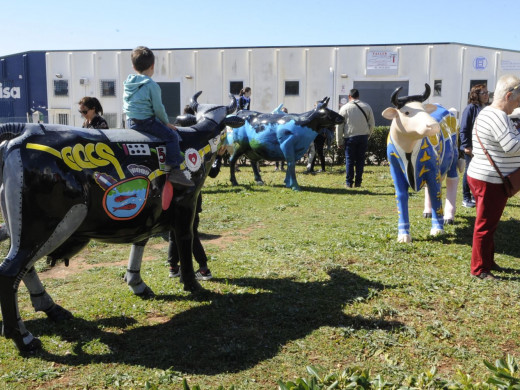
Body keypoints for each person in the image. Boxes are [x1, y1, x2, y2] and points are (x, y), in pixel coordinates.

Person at [467, 74, 520, 280]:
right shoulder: (498, 116)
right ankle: (479, 269)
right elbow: (512, 146)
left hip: (484, 177)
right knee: (485, 225)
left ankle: (486, 262)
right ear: (508, 96)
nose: (517, 105)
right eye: (517, 100)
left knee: (488, 224)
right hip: (489, 181)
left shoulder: (489, 112)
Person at [123, 46, 193, 188]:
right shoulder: (151, 85)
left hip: (130, 122)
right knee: (172, 136)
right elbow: (158, 109)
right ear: (153, 66)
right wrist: (166, 123)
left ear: (133, 66)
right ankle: (175, 170)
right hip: (145, 122)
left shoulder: (128, 83)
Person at [336, 88, 375, 188]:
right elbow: (372, 124)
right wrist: (368, 135)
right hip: (363, 137)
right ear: (358, 96)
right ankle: (358, 182)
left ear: (349, 96)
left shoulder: (344, 108)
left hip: (350, 137)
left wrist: (339, 141)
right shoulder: (367, 106)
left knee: (349, 160)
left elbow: (339, 126)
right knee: (360, 160)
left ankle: (349, 183)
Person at [460, 84, 489, 208]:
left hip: (484, 146)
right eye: (484, 93)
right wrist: (466, 146)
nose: (487, 95)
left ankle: (476, 195)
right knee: (469, 172)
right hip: (471, 147)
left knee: (480, 172)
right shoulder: (471, 108)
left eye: (488, 92)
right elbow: (464, 128)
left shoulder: (487, 108)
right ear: (476, 95)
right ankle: (466, 198)